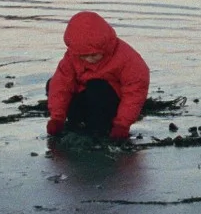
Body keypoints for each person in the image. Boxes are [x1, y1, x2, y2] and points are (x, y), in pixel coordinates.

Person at [45, 11, 149, 141]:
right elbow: (61, 85)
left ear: (104, 46)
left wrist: (122, 124)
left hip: (110, 103)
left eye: (94, 55)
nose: (89, 59)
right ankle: (77, 121)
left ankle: (101, 128)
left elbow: (135, 91)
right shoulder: (72, 57)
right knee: (53, 83)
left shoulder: (127, 59)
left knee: (96, 86)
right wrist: (57, 118)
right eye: (84, 56)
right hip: (85, 99)